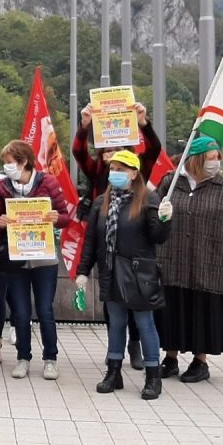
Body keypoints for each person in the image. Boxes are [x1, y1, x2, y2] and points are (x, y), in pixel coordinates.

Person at [75, 150, 172, 400]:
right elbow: (91, 240)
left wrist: (164, 219)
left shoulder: (148, 199)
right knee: (116, 323)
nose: (115, 174)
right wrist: (83, 272)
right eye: (113, 169)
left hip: (140, 274)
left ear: (134, 173)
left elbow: (157, 237)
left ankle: (153, 376)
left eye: (121, 169)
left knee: (144, 324)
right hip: (110, 270)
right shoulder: (101, 202)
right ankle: (113, 372)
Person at [72, 101, 161, 370]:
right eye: (106, 151)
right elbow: (78, 152)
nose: (111, 157)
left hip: (135, 252)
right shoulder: (99, 173)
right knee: (114, 308)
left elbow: (154, 149)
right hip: (107, 248)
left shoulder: (139, 176)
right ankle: (115, 360)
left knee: (139, 310)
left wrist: (143, 122)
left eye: (116, 152)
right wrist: (85, 125)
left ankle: (137, 348)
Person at [155, 135, 223, 383]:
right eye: (211, 158)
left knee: (201, 312)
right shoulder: (171, 182)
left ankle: (200, 361)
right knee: (172, 309)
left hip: (208, 264)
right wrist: (159, 216)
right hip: (173, 262)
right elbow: (152, 216)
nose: (216, 162)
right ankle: (170, 357)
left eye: (217, 157)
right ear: (196, 160)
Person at [0, 140, 72, 380]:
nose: (7, 167)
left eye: (10, 162)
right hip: (15, 259)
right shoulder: (3, 187)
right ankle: (23, 358)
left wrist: (56, 217)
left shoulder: (48, 182)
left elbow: (66, 217)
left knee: (45, 309)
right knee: (21, 312)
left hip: (44, 259)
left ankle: (50, 359)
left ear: (24, 162)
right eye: (5, 163)